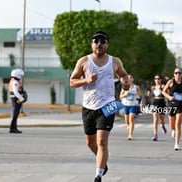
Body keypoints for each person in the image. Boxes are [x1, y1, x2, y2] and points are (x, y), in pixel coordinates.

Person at [69, 30, 129, 182]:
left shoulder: (115, 61)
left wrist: (125, 83)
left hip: (108, 105)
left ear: (107, 44)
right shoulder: (83, 61)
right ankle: (102, 163)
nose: (99, 44)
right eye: (96, 41)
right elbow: (72, 82)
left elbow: (124, 75)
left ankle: (98, 175)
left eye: (102, 41)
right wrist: (86, 81)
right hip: (88, 106)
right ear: (92, 44)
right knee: (90, 142)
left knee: (102, 141)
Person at [162, 68, 182, 150]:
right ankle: (172, 130)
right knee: (172, 123)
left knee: (178, 124)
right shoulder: (171, 82)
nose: (178, 74)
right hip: (172, 104)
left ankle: (176, 144)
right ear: (174, 74)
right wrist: (169, 97)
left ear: (181, 74)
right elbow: (163, 91)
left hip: (181, 105)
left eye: (179, 73)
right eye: (176, 73)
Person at [119, 75, 141, 140]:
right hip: (126, 105)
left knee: (131, 119)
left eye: (130, 77)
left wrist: (137, 93)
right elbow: (120, 96)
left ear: (133, 79)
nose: (129, 79)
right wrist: (125, 94)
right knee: (127, 120)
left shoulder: (136, 87)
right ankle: (128, 126)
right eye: (128, 78)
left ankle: (130, 134)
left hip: (133, 105)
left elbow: (140, 94)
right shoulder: (124, 87)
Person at [150, 74, 167, 141]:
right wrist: (149, 94)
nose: (157, 80)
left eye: (158, 78)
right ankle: (155, 134)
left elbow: (166, 93)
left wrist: (163, 89)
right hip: (155, 103)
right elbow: (151, 95)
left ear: (161, 79)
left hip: (161, 102)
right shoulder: (153, 87)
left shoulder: (163, 86)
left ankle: (162, 126)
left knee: (161, 119)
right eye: (155, 79)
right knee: (155, 118)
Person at [9, 68, 26, 133]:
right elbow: (15, 92)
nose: (20, 77)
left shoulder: (13, 80)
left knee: (15, 114)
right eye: (20, 76)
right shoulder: (15, 82)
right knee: (15, 114)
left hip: (16, 99)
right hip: (16, 99)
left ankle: (13, 128)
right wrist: (22, 98)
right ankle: (13, 128)